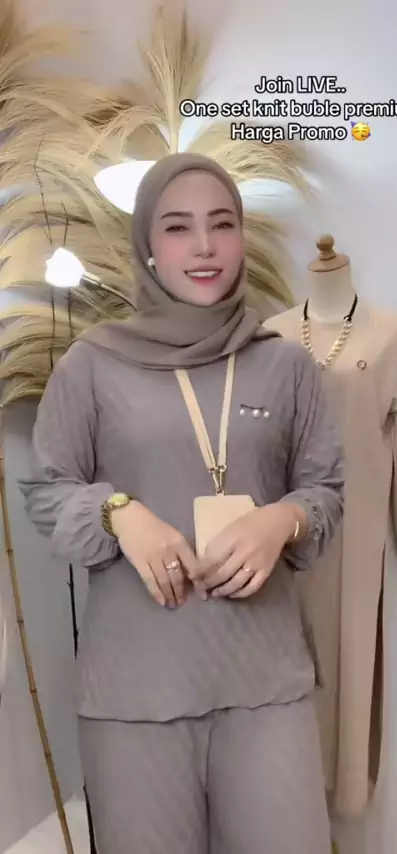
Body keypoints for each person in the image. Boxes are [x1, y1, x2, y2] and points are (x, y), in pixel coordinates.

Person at [19, 153, 344, 854]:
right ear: (147, 245)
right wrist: (118, 512)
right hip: (135, 689)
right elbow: (47, 490)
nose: (203, 246)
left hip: (263, 677)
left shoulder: (284, 363)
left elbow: (326, 488)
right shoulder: (92, 365)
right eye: (177, 227)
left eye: (221, 224)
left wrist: (283, 519)